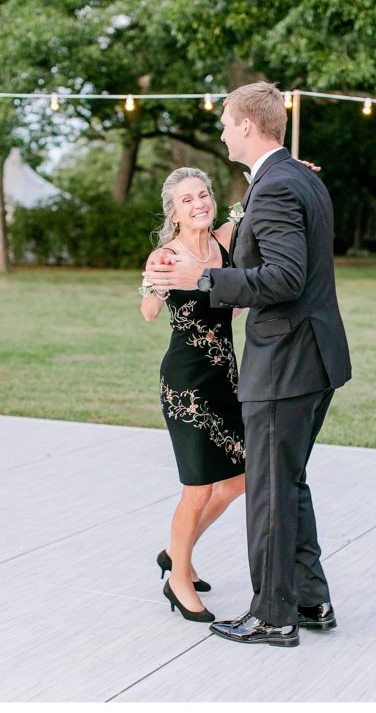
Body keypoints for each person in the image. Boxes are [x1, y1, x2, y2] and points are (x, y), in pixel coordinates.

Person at [145, 81, 351, 647]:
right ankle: (312, 601)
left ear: (245, 127)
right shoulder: (297, 178)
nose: (219, 133)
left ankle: (273, 616)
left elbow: (283, 278)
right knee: (289, 483)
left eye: (224, 123)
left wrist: (203, 278)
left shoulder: (280, 186)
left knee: (266, 489)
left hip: (285, 362)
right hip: (311, 357)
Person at [140, 167, 246, 623]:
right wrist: (155, 278)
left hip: (227, 378)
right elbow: (147, 312)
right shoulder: (167, 254)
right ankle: (178, 579)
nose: (199, 203)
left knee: (239, 479)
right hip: (187, 384)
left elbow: (251, 205)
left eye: (203, 195)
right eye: (187, 199)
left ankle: (174, 553)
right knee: (198, 488)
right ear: (174, 211)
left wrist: (290, 168)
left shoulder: (224, 238)